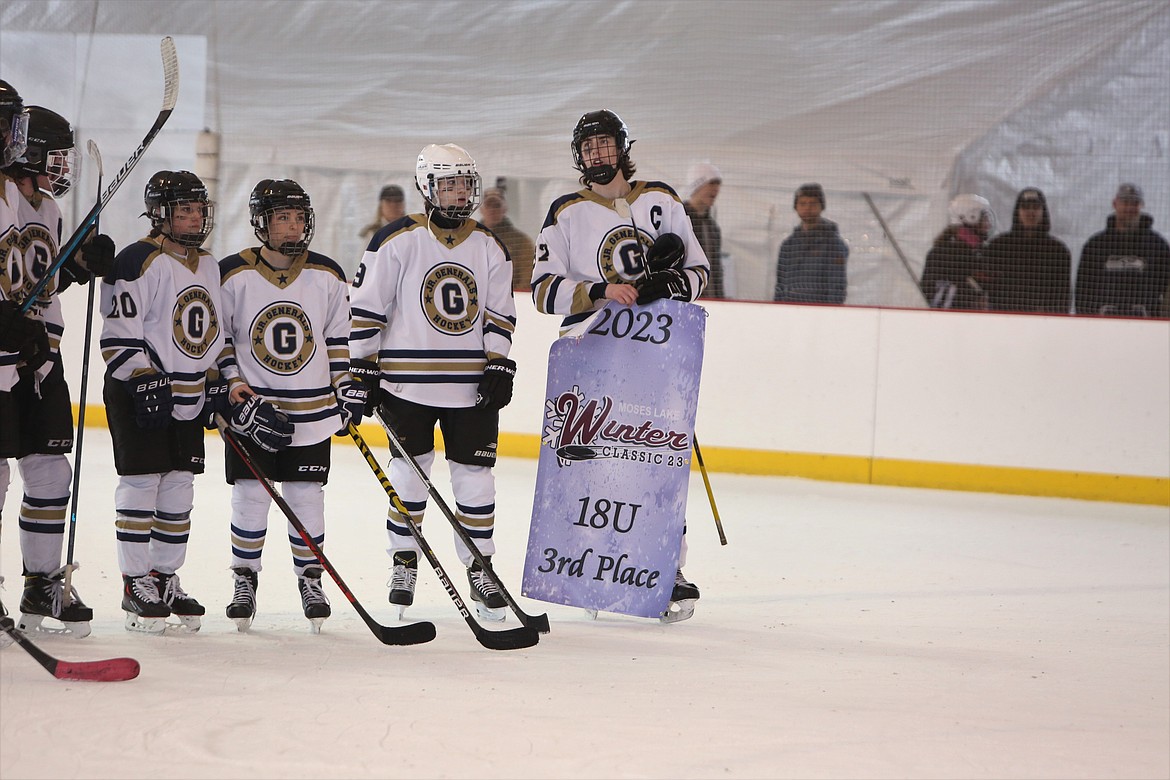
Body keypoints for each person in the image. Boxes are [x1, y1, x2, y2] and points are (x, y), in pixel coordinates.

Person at [530, 109, 710, 618]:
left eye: (604, 144)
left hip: (655, 354)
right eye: (587, 148)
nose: (596, 155)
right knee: (591, 466)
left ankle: (665, 570)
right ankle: (589, 569)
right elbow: (543, 290)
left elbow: (698, 270)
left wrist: (668, 286)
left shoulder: (662, 199)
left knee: (658, 466)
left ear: (621, 147)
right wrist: (600, 291)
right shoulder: (565, 211)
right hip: (593, 356)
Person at [349, 143, 517, 620]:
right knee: (407, 475)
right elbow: (366, 309)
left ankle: (480, 568)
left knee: (476, 480)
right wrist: (360, 368)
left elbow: (500, 314)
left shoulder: (489, 245)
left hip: (470, 388)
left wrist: (498, 362)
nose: (458, 193)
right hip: (405, 386)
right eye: (448, 184)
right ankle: (404, 562)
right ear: (427, 186)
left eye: (465, 184)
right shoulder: (394, 241)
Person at [216, 179, 366, 632]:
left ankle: (310, 579)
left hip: (313, 413)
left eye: (300, 217)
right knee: (250, 498)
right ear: (262, 222)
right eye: (283, 217)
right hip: (252, 412)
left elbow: (338, 339)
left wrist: (345, 384)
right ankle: (245, 579)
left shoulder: (328, 273)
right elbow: (219, 342)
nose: (294, 226)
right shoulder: (232, 274)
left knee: (306, 499)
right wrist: (232, 388)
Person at [1, 97, 115, 638]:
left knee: (50, 473)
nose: (61, 168)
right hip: (0, 358)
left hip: (41, 358)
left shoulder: (47, 208)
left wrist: (78, 267)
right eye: (55, 156)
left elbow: (38, 280)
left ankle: (42, 581)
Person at [99, 170, 228, 633]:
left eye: (198, 209)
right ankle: (135, 582)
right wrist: (143, 379)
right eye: (184, 210)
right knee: (141, 485)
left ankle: (164, 576)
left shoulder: (209, 263)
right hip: (141, 393)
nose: (194, 218)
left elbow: (213, 332)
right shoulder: (138, 260)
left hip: (189, 393)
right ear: (161, 214)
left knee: (178, 488)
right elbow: (117, 338)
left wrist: (214, 378)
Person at [1075, 184, 1170, 318]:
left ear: (1141, 205)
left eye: (1135, 203)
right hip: (1103, 323)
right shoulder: (1095, 244)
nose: (1130, 208)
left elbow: (1166, 289)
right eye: (1125, 202)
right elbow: (1083, 289)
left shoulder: (1158, 245)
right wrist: (1086, 321)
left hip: (1146, 324)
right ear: (1115, 204)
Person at [982, 187, 1071, 313]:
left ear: (1043, 212)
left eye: (1035, 208)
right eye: (1025, 207)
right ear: (1017, 212)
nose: (1031, 212)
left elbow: (1063, 295)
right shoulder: (997, 246)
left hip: (1041, 322)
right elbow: (985, 288)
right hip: (1003, 320)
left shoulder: (1058, 251)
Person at [773, 183, 849, 304]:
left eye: (813, 204)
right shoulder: (788, 245)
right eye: (802, 204)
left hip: (819, 311)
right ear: (796, 207)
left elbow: (837, 285)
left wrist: (832, 312)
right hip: (789, 310)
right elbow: (780, 283)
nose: (807, 208)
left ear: (821, 207)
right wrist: (778, 308)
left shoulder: (833, 244)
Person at [919, 193, 994, 310]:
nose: (988, 225)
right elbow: (935, 299)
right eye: (985, 219)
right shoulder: (943, 255)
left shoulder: (980, 253)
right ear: (971, 217)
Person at [479, 185, 535, 291]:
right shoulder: (472, 239)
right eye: (488, 205)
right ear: (481, 209)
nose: (492, 210)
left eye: (496, 205)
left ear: (504, 209)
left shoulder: (521, 241)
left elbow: (526, 278)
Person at [683, 162, 724, 299]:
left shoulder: (713, 227)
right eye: (711, 183)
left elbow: (716, 269)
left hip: (712, 302)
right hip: (687, 300)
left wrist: (720, 298)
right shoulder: (679, 219)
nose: (716, 189)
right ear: (697, 185)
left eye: (718, 184)